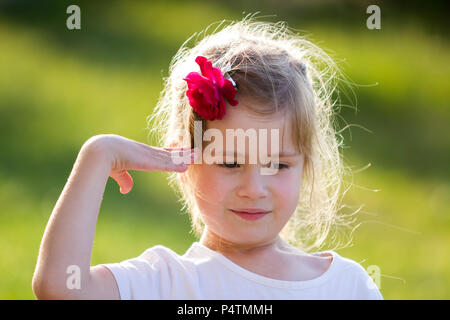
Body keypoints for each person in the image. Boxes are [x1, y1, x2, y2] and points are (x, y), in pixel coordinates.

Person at [32, 15, 383, 300]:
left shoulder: (346, 286)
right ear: (182, 162)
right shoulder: (167, 282)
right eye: (230, 163)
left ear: (305, 166)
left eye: (277, 165)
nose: (253, 188)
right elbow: (60, 289)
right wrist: (99, 153)